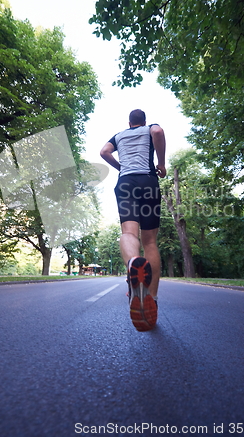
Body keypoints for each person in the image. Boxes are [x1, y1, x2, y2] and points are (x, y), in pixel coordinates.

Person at [100, 109, 166, 331]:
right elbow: (158, 131)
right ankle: (152, 298)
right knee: (149, 241)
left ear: (129, 122)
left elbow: (104, 152)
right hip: (148, 182)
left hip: (126, 184)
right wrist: (162, 163)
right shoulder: (149, 128)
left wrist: (120, 168)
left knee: (129, 232)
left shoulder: (119, 135)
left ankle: (132, 264)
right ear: (143, 121)